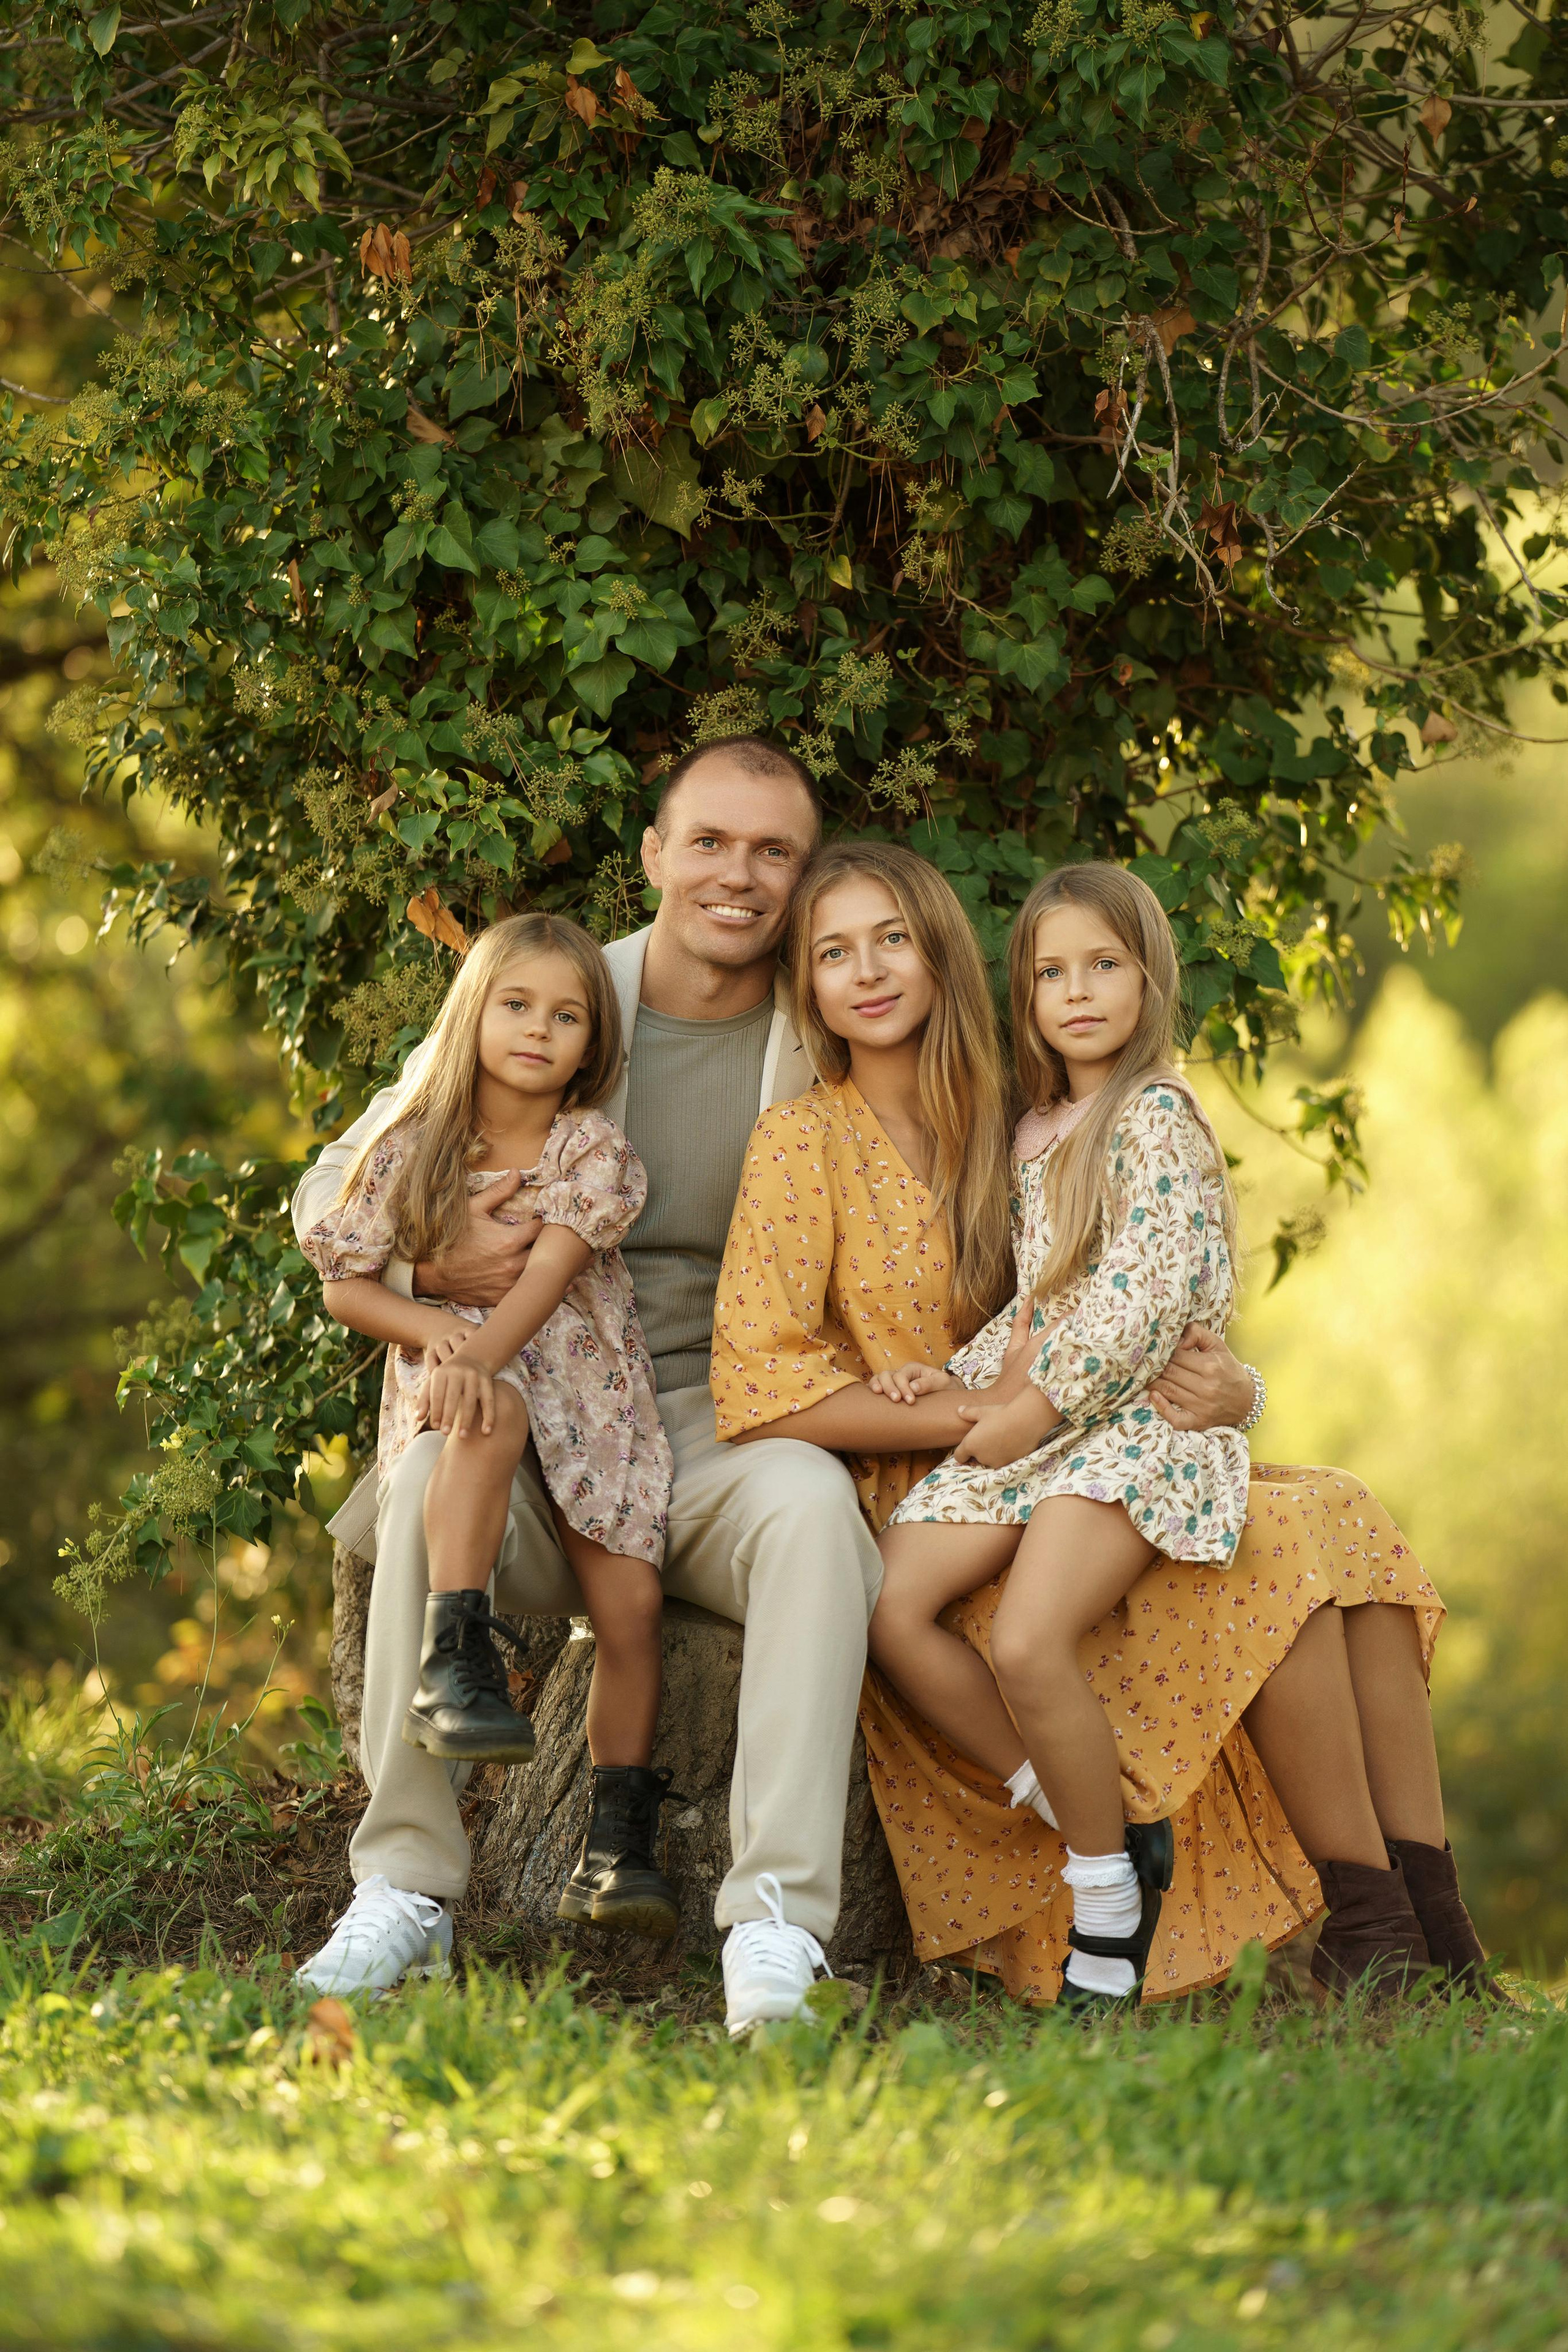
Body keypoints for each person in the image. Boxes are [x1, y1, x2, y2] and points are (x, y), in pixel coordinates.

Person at [711, 840, 1486, 2008]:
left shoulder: (1020, 1115)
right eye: (833, 952)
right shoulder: (818, 1140)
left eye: (893, 941)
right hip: (982, 1456)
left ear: (943, 959)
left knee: (1336, 1517)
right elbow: (788, 1376)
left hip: (1078, 1433)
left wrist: (1235, 1391)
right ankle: (1131, 1843)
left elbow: (1139, 1287)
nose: (868, 973)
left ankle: (1419, 1927)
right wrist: (958, 1393)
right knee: (1277, 1550)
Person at [298, 914, 679, 1964]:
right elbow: (347, 1285)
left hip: (596, 1412)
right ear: (472, 1014)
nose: (538, 1030)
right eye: (516, 1005)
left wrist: (476, 1350)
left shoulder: (590, 1149)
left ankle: (616, 1840)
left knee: (632, 1605)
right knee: (487, 1412)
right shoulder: (416, 1146)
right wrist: (442, 1339)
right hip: (477, 1388)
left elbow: (550, 1275)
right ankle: (454, 1655)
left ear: (593, 1043)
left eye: (566, 1016)